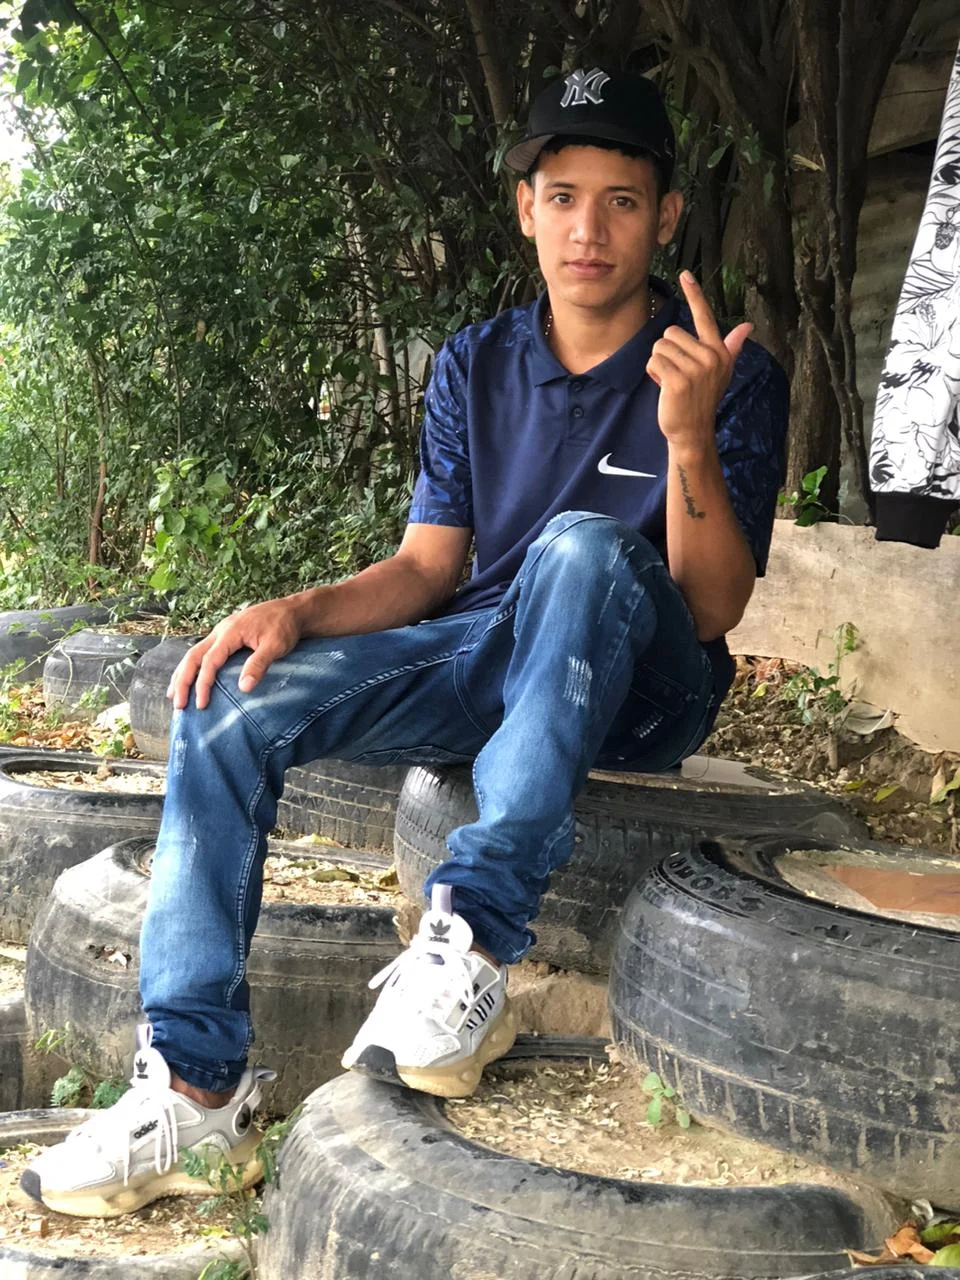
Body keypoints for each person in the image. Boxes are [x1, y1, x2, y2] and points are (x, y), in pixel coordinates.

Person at [22, 66, 788, 1218]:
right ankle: (192, 1087)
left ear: (666, 214)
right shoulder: (476, 362)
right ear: (525, 208)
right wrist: (297, 610)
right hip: (491, 649)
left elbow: (714, 605)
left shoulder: (724, 368)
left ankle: (469, 941)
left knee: (579, 547)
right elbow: (430, 568)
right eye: (563, 196)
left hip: (645, 677)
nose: (589, 228)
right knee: (224, 701)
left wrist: (687, 438)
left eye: (622, 200)